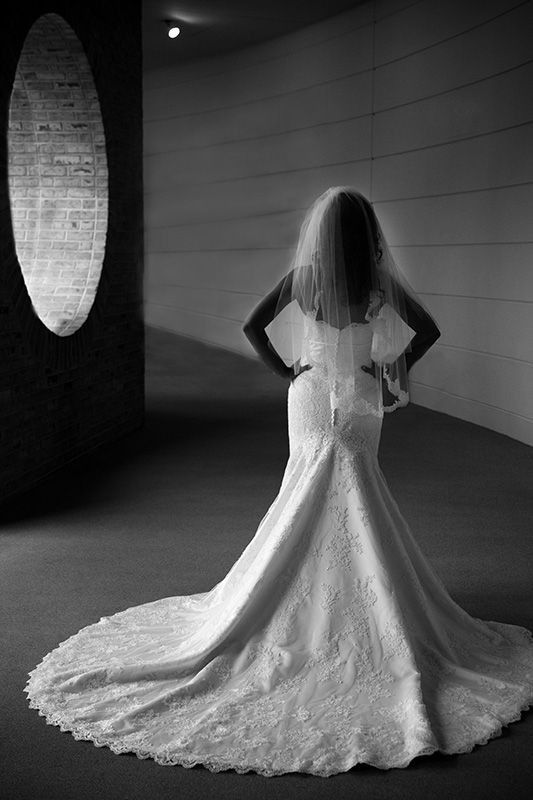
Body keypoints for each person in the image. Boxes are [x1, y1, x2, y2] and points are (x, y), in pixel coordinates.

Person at [25, 187, 533, 777]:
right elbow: (428, 331)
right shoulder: (375, 281)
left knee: (304, 488)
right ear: (365, 228)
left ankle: (289, 590)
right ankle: (369, 602)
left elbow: (252, 326)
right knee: (357, 488)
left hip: (313, 394)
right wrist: (388, 368)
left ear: (322, 230)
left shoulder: (305, 276)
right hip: (360, 396)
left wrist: (288, 372)